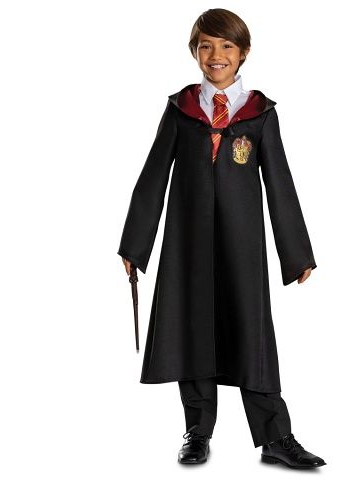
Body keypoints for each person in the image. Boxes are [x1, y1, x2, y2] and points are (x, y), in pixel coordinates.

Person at [118, 8, 326, 470]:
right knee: (192, 328)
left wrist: (296, 253)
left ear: (243, 52)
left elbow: (280, 184)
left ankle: (275, 436)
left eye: (227, 46)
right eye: (206, 46)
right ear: (194, 52)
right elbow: (153, 176)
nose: (216, 55)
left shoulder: (259, 113)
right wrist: (135, 244)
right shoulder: (181, 109)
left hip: (242, 243)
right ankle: (197, 432)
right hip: (187, 242)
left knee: (251, 333)